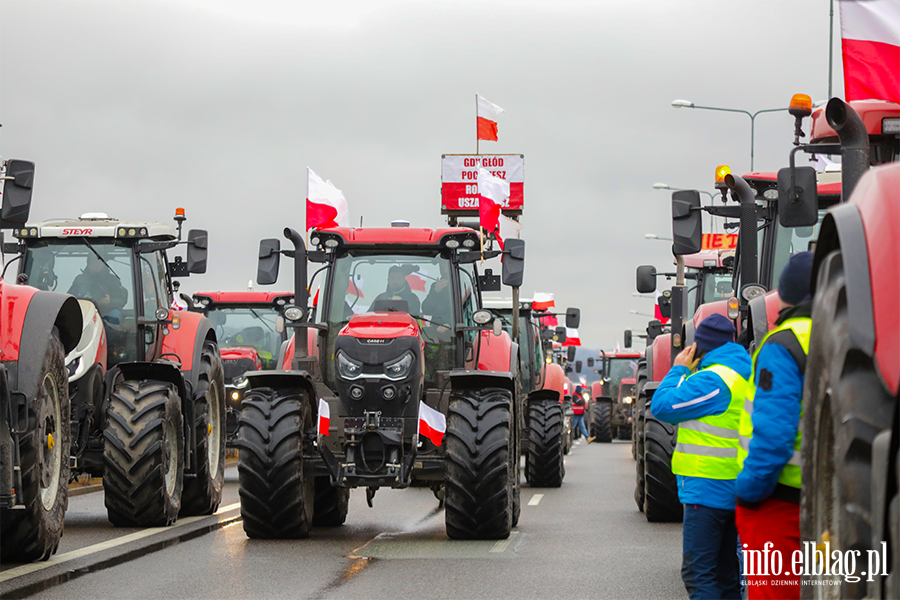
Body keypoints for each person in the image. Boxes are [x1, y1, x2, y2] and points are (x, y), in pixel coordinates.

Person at [650, 313, 751, 600]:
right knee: (726, 574)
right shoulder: (745, 374)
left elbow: (662, 406)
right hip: (733, 487)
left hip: (707, 491)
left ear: (698, 347)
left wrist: (678, 370)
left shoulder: (714, 380)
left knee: (699, 574)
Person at [735, 252, 813, 600]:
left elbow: (774, 436)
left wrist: (749, 491)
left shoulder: (784, 344)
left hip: (779, 504)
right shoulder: (859, 332)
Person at [69, 252, 128, 323]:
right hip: (85, 313)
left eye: (99, 262)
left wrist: (110, 301)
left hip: (106, 314)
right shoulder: (79, 279)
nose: (96, 265)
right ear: (88, 264)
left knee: (115, 315)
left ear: (103, 264)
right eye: (93, 262)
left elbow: (122, 299)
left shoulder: (112, 280)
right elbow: (70, 297)